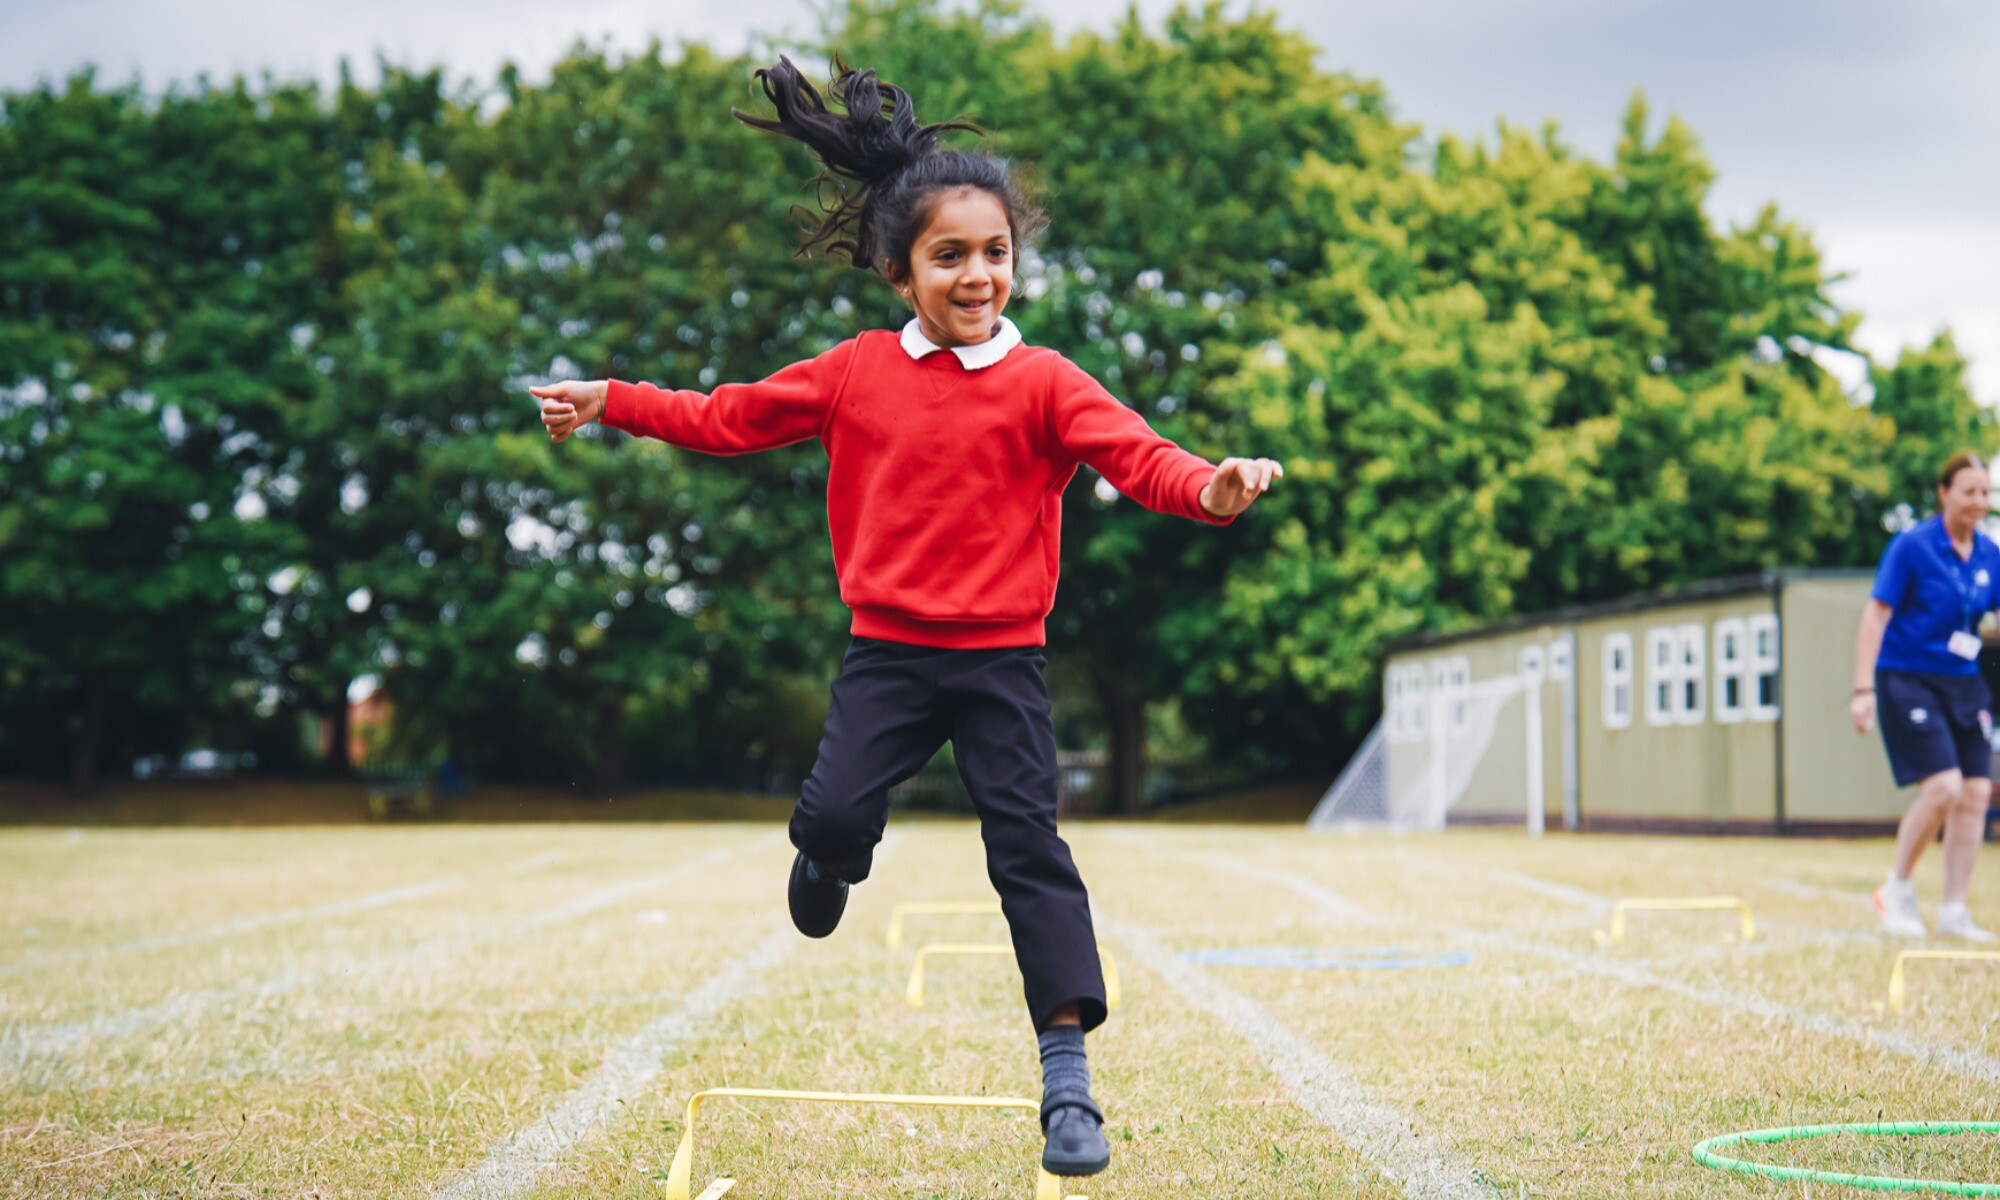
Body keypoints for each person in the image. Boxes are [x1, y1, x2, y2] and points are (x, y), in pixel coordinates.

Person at [528, 57, 1282, 1177]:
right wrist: (613, 400)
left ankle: (1067, 1086)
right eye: (948, 256)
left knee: (1028, 851)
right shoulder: (851, 376)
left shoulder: (1048, 384)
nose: (976, 276)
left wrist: (1210, 489)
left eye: (994, 254)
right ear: (898, 270)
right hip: (887, 655)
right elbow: (725, 416)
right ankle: (829, 863)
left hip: (1003, 667)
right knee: (831, 820)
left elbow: (1142, 457)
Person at [1852, 451, 1999, 942]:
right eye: (1970, 491)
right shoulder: (1912, 546)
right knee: (1943, 787)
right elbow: (1876, 615)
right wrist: (1861, 689)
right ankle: (1896, 889)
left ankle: (1954, 909)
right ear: (1945, 493)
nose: (1979, 501)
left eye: (1986, 492)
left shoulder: (1989, 555)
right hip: (1907, 677)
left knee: (1977, 792)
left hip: (1963, 682)